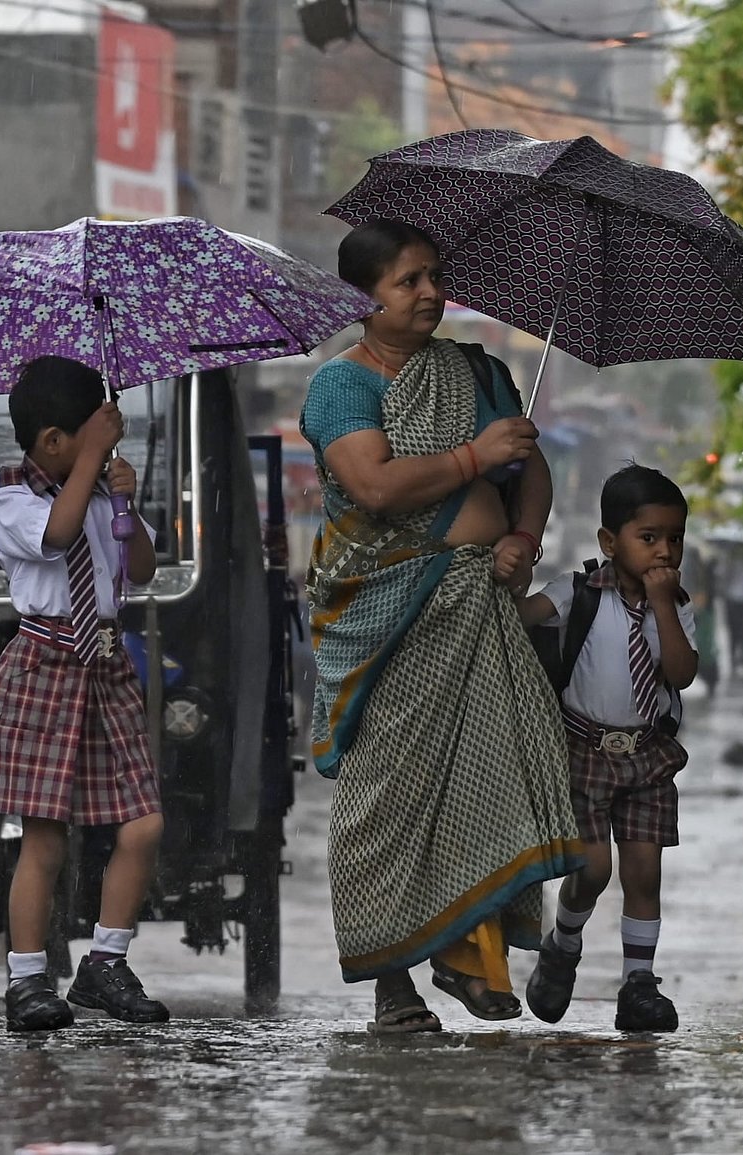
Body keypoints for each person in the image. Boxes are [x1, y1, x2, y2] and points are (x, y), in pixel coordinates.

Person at [301, 217, 584, 1034]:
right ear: (366, 298)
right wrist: (472, 457)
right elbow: (377, 486)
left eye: (433, 277)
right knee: (387, 800)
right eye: (407, 281)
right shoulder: (342, 385)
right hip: (387, 611)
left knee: (486, 776)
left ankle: (471, 958)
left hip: (481, 603)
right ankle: (394, 984)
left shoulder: (475, 372)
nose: (429, 293)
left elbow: (530, 469)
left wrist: (522, 541)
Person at [0, 355, 169, 1032]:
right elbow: (54, 538)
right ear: (53, 441)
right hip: (45, 663)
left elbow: (140, 567)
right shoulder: (11, 493)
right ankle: (26, 978)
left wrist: (127, 500)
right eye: (91, 433)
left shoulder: (102, 492)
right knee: (43, 837)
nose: (104, 446)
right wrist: (93, 468)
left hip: (105, 665)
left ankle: (104, 964)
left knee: (143, 824)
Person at [516, 464, 697, 1032]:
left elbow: (682, 672)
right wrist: (505, 575)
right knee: (593, 870)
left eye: (674, 539)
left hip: (647, 756)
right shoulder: (575, 593)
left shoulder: (677, 604)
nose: (664, 551)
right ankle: (563, 945)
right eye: (648, 538)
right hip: (583, 751)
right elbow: (518, 620)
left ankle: (639, 985)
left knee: (644, 872)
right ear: (609, 542)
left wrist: (665, 607)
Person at [719, 543, 743, 675]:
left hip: (739, 599)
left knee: (740, 632)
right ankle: (739, 663)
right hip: (738, 599)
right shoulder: (734, 557)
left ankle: (740, 662)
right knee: (739, 632)